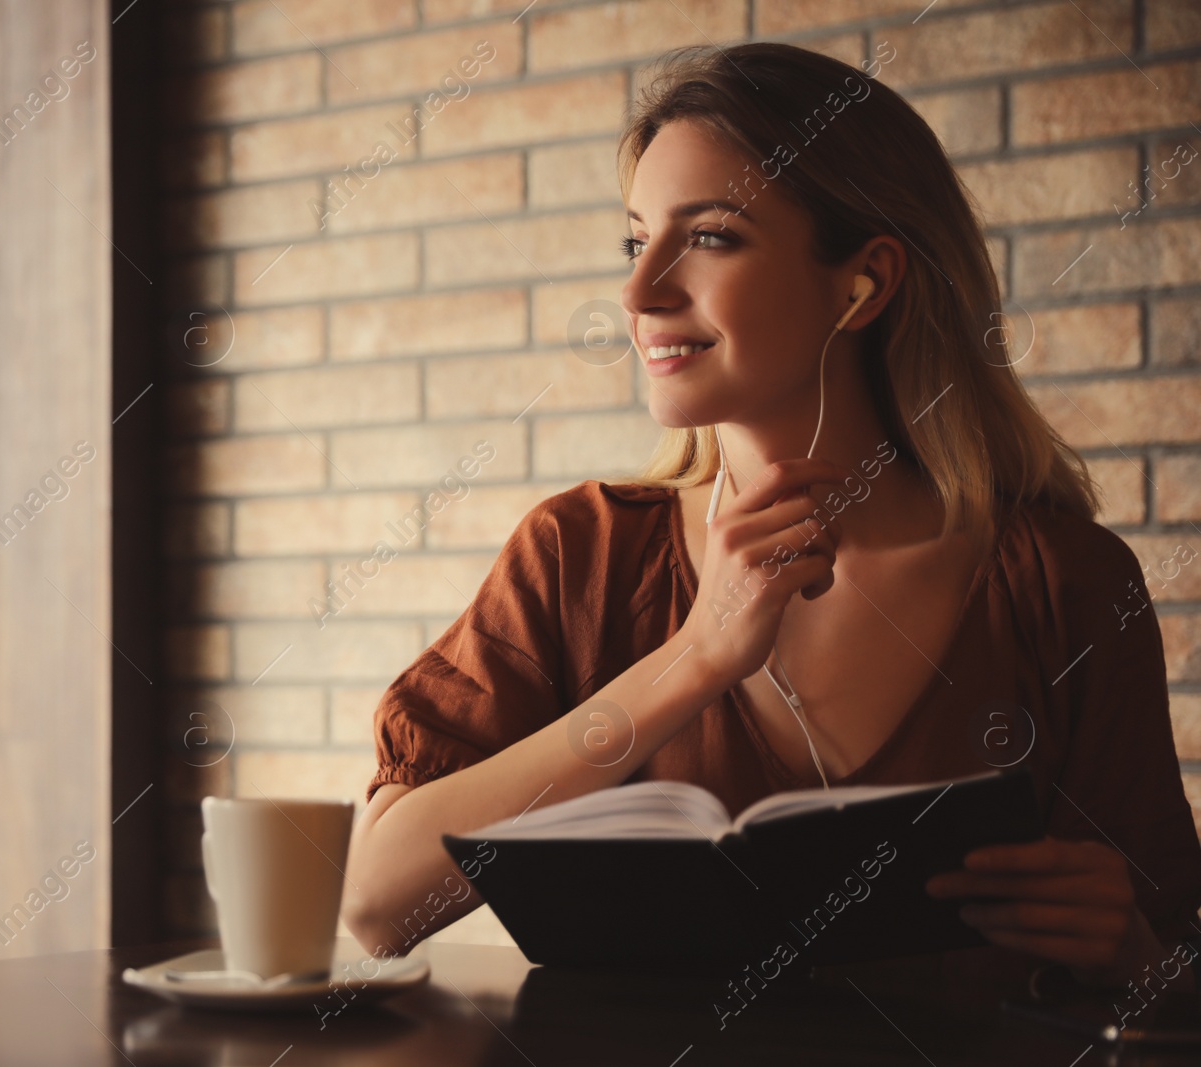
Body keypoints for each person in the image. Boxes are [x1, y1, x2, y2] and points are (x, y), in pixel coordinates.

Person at [340, 42, 1201, 998]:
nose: (639, 293)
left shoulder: (1064, 583)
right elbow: (379, 906)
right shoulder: (578, 556)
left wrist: (1131, 955)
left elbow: (1164, 979)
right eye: (636, 241)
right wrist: (696, 656)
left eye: (708, 236)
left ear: (863, 283)